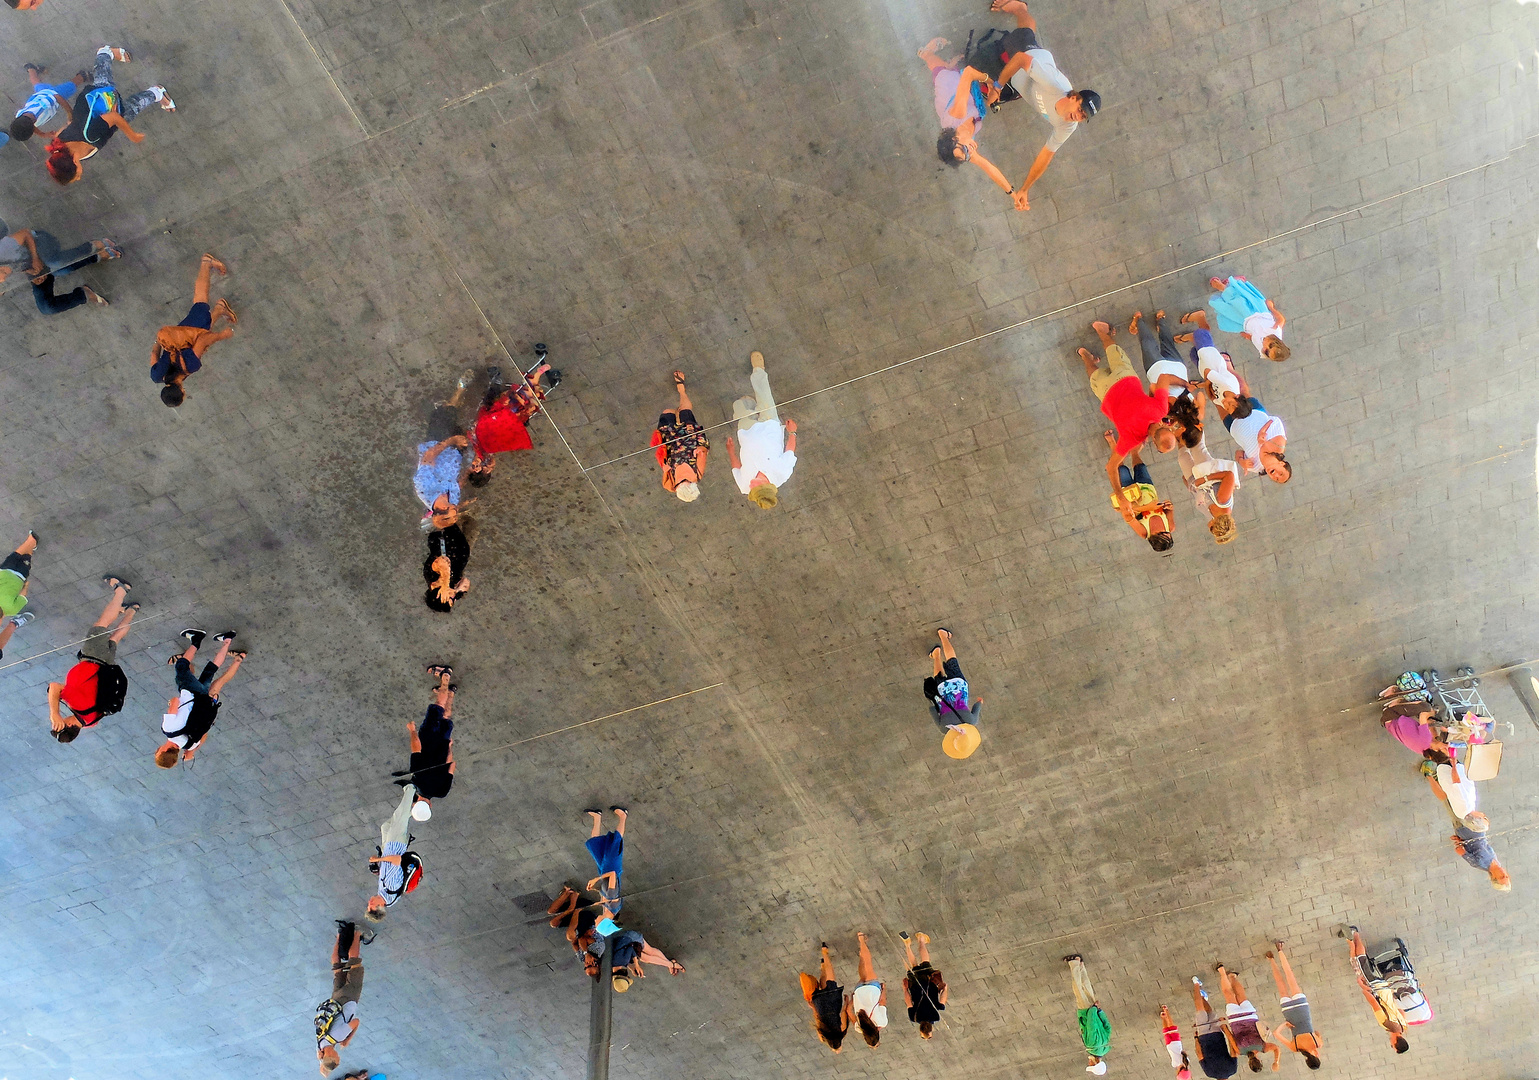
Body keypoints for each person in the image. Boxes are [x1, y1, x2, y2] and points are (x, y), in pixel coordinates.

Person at [951, 0, 1100, 210]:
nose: (1079, 116)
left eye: (1084, 116)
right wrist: (997, 85)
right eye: (1080, 109)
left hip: (1021, 84)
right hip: (1027, 57)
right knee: (1024, 34)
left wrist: (1025, 188)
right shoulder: (1053, 82)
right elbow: (1021, 58)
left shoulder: (1067, 126)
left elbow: (1046, 155)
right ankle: (1021, 7)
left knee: (985, 78)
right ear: (1074, 97)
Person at [1080, 319, 1184, 515]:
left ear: (1168, 428)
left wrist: (1184, 383)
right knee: (1093, 374)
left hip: (1125, 377)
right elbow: (1111, 467)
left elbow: (1163, 379)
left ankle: (1102, 331)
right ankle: (1085, 356)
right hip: (1106, 393)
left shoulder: (1160, 409)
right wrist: (1119, 494)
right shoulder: (1131, 439)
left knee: (1114, 353)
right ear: (1153, 441)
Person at [919, 38, 1025, 210]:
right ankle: (949, 64)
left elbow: (968, 73)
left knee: (939, 69)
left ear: (954, 137)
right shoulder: (967, 148)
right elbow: (989, 169)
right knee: (953, 70)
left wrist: (992, 83)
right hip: (967, 96)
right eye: (966, 156)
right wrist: (1013, 194)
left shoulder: (957, 115)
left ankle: (925, 53)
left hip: (948, 85)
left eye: (964, 150)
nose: (971, 152)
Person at [46, 46, 173, 185]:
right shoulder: (59, 147)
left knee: (104, 79)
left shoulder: (90, 135)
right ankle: (156, 93)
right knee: (130, 109)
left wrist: (132, 135)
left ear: (75, 162)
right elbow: (64, 129)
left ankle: (105, 53)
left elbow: (114, 117)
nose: (79, 177)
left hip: (102, 99)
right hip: (94, 110)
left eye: (76, 176)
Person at [48, 575, 138, 742]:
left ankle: (132, 610)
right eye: (60, 724)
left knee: (115, 638)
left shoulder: (91, 722)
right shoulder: (74, 702)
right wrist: (55, 713)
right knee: (100, 625)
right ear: (67, 725)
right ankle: (120, 591)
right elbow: (54, 687)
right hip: (92, 658)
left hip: (106, 666)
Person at [151, 254, 237, 407]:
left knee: (200, 300)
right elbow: (154, 353)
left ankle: (206, 263)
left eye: (184, 395)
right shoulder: (157, 376)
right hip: (178, 335)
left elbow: (204, 340)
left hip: (191, 331)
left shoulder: (190, 367)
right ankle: (220, 308)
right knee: (204, 326)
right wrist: (159, 341)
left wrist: (222, 335)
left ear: (182, 392)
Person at [465, 351, 558, 487]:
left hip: (498, 419)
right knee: (520, 401)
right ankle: (535, 378)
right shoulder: (479, 455)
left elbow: (478, 435)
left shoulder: (478, 455)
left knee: (522, 402)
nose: (490, 468)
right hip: (496, 420)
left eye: (488, 470)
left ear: (479, 470)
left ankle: (536, 377)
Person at [155, 629, 245, 768]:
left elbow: (204, 735)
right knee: (181, 667)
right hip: (191, 692)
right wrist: (171, 703)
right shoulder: (168, 729)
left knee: (211, 670)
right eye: (158, 752)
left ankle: (227, 641)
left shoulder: (190, 744)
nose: (157, 750)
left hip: (204, 699)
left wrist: (192, 752)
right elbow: (175, 701)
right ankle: (196, 640)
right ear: (164, 751)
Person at [724, 351, 796, 508]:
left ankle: (748, 404)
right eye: (753, 487)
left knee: (740, 405)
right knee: (764, 393)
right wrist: (792, 432)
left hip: (746, 431)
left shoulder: (744, 487)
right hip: (770, 424)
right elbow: (789, 451)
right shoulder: (782, 473)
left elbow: (736, 468)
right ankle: (758, 369)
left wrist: (731, 451)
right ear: (762, 484)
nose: (749, 487)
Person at [391, 665, 456, 815]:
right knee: (438, 707)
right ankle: (445, 677)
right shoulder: (417, 779)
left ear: (430, 806)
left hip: (443, 744)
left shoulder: (441, 792)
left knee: (445, 718)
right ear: (415, 803)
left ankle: (450, 693)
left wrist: (449, 747)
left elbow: (451, 765)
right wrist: (412, 730)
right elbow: (416, 748)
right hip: (429, 736)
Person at [414, 370, 475, 523]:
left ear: (440, 510)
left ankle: (460, 389)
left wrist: (451, 441)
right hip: (455, 455)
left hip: (438, 442)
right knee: (463, 429)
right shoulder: (451, 501)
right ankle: (445, 410)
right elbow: (457, 486)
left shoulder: (425, 488)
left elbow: (429, 456)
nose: (456, 510)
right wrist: (468, 472)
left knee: (448, 413)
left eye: (453, 513)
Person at [1342, 926, 1410, 1053]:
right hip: (1374, 988)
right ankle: (1353, 935)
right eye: (1392, 1046)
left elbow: (1401, 1010)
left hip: (1385, 988)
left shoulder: (1403, 1027)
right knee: (1360, 962)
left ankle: (1352, 939)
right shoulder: (1387, 1025)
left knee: (1360, 964)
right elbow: (1374, 1004)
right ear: (1395, 1043)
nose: (1390, 1044)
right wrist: (1363, 989)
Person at [1102, 432, 1174, 551]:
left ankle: (1113, 445)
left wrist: (1147, 507)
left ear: (1154, 536)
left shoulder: (1144, 532)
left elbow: (1127, 515)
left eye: (1161, 532)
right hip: (1148, 491)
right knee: (1140, 467)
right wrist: (1168, 505)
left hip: (1130, 496)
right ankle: (1134, 452)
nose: (1165, 530)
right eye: (1167, 532)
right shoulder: (1170, 526)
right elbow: (1170, 509)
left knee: (1121, 469)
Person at [316, 920, 368, 1076]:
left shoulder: (337, 1037)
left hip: (349, 998)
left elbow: (356, 1022)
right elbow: (323, 1066)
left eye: (337, 1057)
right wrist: (323, 1067)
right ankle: (339, 935)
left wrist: (347, 1039)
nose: (339, 1055)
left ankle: (358, 933)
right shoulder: (320, 1047)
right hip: (335, 999)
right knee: (337, 969)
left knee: (354, 964)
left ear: (332, 1056)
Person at [924, 627, 984, 758]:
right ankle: (936, 655)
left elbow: (977, 707)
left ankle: (943, 636)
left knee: (952, 661)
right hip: (942, 693)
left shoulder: (971, 722)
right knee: (938, 675)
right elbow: (933, 711)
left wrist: (980, 701)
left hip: (959, 686)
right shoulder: (943, 728)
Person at [651, 371, 710, 501]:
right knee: (685, 410)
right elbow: (703, 452)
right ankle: (681, 389)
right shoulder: (697, 474)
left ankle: (676, 415)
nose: (682, 482)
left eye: (680, 484)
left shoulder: (670, 484)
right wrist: (699, 450)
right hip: (689, 439)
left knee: (668, 412)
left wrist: (666, 468)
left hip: (670, 441)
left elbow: (665, 467)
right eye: (686, 483)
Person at [365, 785, 419, 922]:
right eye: (372, 906)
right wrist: (378, 860)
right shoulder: (391, 887)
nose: (369, 903)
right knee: (399, 817)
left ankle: (413, 807)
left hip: (388, 847)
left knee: (386, 826)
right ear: (380, 906)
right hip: (396, 845)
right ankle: (410, 788)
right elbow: (396, 860)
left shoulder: (385, 896)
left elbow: (389, 871)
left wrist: (378, 870)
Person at [1265, 941, 1322, 1069]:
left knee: (1290, 977)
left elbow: (1317, 1032)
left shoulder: (1318, 1044)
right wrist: (1285, 1025)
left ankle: (1280, 950)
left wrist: (1315, 1039)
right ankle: (1271, 959)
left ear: (1317, 1056)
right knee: (1280, 984)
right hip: (1289, 1014)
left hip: (1302, 1010)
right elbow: (1276, 1034)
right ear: (1306, 1061)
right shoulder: (1295, 1048)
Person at [1214, 964, 1280, 1072]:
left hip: (1250, 1015)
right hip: (1235, 1019)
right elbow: (1230, 1038)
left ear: (1260, 1061)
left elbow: (1276, 1048)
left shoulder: (1263, 1047)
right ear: (1249, 1064)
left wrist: (1276, 1062)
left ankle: (1232, 977)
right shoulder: (1240, 1051)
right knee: (1228, 994)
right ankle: (1222, 972)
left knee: (1241, 995)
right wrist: (1224, 1027)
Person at [1207, 276, 1289, 361]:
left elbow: (1255, 339)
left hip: (1245, 322)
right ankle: (1224, 287)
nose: (1265, 349)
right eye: (1270, 346)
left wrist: (1248, 336)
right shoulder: (1276, 332)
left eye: (1267, 353)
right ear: (1277, 342)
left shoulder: (1262, 350)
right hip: (1258, 312)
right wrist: (1271, 307)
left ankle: (1229, 288)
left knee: (1231, 310)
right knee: (1239, 301)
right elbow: (1281, 319)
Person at [10, 62, 87, 143]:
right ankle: (31, 69)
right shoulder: (20, 116)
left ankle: (82, 76)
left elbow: (57, 97)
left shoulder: (42, 106)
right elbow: (33, 127)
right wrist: (43, 134)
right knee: (37, 84)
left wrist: (70, 113)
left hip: (52, 94)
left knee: (70, 87)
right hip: (38, 96)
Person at [1063, 955, 1111, 1074]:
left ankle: (1081, 966)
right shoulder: (1091, 1045)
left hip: (1096, 1010)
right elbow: (1091, 1024)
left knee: (1087, 987)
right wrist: (1093, 1010)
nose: (1089, 1063)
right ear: (1096, 1062)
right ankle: (1074, 963)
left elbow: (1107, 1027)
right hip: (1087, 1012)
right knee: (1077, 988)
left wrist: (1099, 1010)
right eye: (1091, 1064)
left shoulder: (1105, 1046)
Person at [800, 942, 849, 1052]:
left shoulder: (841, 1031)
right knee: (823, 985)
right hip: (820, 1005)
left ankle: (825, 953)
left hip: (833, 1002)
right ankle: (822, 967)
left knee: (830, 977)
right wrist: (813, 1007)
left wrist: (846, 1002)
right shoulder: (823, 1037)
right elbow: (817, 1019)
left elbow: (842, 1013)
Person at [607, 925, 685, 991]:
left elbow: (631, 950)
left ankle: (672, 965)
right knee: (645, 958)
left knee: (649, 953)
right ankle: (670, 964)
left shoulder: (623, 960)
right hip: (621, 939)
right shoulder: (610, 964)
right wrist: (632, 967)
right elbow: (622, 956)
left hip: (631, 938)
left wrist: (637, 965)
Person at [422, 512, 472, 612]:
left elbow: (443, 561)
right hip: (461, 539)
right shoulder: (451, 588)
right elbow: (466, 582)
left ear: (439, 596)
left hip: (445, 528)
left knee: (467, 507)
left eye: (450, 598)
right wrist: (457, 590)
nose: (453, 596)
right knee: (473, 520)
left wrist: (445, 584)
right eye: (453, 600)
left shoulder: (431, 576)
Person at [583, 806, 628, 917]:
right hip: (612, 867)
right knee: (616, 841)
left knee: (594, 845)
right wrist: (596, 880)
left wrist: (594, 888)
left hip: (604, 869)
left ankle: (597, 817)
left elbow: (604, 894)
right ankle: (623, 816)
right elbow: (613, 875)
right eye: (598, 923)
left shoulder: (609, 906)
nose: (596, 921)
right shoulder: (612, 902)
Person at [1190, 976, 1238, 1079]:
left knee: (1210, 1012)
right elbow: (1199, 1054)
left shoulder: (1232, 1069)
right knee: (1200, 1010)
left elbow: (1232, 1049)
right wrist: (1196, 1037)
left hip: (1217, 1034)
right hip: (1204, 1037)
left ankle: (1200, 992)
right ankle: (1197, 986)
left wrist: (1226, 1030)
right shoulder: (1209, 1073)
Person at [901, 931, 947, 1038]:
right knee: (913, 965)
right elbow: (908, 1001)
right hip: (915, 986)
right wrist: (905, 989)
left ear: (931, 1028)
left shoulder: (935, 1016)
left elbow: (942, 1002)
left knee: (925, 962)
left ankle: (921, 939)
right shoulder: (914, 1018)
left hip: (929, 983)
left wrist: (945, 989)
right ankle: (907, 945)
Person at [1450, 811, 1512, 891]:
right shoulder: (1497, 863)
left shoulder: (1479, 863)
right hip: (1477, 827)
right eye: (1506, 876)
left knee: (1453, 804)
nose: (1504, 873)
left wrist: (1460, 841)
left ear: (1493, 877)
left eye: (1501, 876)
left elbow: (1460, 850)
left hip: (1466, 828)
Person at [847, 932, 888, 1047]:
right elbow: (848, 1010)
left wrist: (884, 989)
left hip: (873, 989)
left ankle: (862, 941)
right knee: (862, 972)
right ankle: (861, 954)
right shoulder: (859, 1028)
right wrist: (852, 998)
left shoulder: (882, 1022)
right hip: (859, 991)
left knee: (868, 963)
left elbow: (882, 1002)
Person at [0, 530, 38, 622]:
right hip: (5, 571)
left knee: (25, 558)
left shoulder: (11, 610)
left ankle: (31, 542)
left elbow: (22, 595)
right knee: (16, 555)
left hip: (20, 576)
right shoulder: (11, 610)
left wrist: (26, 585)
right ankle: (31, 543)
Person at [1160, 1003, 1191, 1079]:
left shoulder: (1186, 1061)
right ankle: (1164, 1016)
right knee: (1166, 1031)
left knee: (1172, 1027)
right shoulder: (1174, 1064)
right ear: (1179, 1072)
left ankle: (1166, 1013)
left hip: (1177, 1042)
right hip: (1169, 1045)